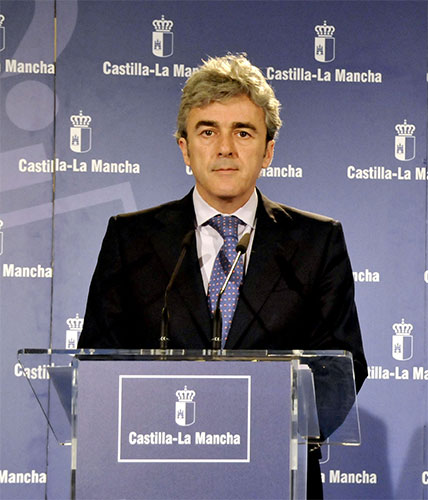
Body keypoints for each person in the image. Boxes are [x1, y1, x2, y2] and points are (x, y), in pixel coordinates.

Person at [78, 54, 367, 499]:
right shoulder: (131, 239)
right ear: (184, 148)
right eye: (208, 131)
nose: (225, 148)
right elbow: (97, 364)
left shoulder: (316, 242)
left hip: (274, 478)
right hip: (155, 475)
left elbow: (340, 371)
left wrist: (243, 427)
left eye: (243, 132)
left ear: (268, 151)